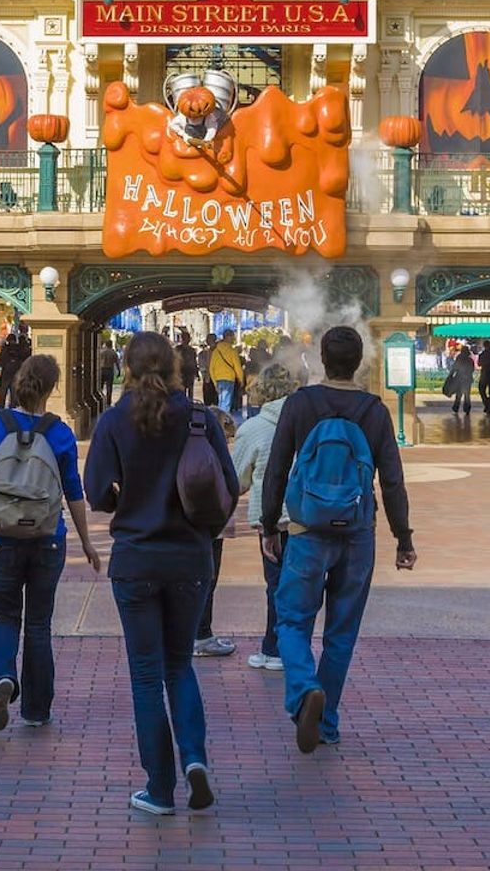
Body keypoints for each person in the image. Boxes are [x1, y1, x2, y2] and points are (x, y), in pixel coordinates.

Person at [84, 331, 238, 816]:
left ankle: (159, 788)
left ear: (126, 367)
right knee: (180, 666)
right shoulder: (199, 419)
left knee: (146, 676)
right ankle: (195, 759)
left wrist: (122, 498)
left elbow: (94, 492)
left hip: (136, 559)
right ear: (174, 365)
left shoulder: (114, 420)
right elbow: (229, 487)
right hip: (191, 559)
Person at [260, 326, 416, 753]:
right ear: (359, 360)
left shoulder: (300, 404)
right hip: (358, 533)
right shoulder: (374, 411)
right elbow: (393, 481)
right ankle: (326, 721)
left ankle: (304, 689)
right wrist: (403, 536)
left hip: (307, 532)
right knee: (341, 632)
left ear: (321, 359)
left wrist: (270, 523)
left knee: (291, 620)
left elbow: (276, 469)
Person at [0, 355, 100, 730]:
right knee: (38, 623)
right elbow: (73, 491)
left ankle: (3, 675)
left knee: (3, 615)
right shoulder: (60, 433)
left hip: (1, 536)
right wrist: (87, 542)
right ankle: (36, 709)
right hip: (48, 538)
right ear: (51, 389)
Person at [234, 363, 300, 672]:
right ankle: (295, 646)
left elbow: (237, 481)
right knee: (300, 584)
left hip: (272, 521)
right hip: (306, 516)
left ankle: (274, 649)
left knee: (275, 585)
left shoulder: (253, 428)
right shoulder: (308, 423)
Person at [194, 407, 238, 659]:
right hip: (213, 526)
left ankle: (192, 633)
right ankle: (201, 635)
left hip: (188, 525)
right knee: (207, 581)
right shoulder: (215, 455)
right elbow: (231, 485)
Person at [209, 329, 244, 414]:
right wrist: (241, 380)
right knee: (226, 404)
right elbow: (238, 367)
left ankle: (219, 421)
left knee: (221, 402)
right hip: (228, 379)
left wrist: (214, 382)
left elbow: (211, 368)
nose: (233, 339)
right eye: (232, 337)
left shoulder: (216, 351)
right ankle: (223, 423)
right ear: (228, 337)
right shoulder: (232, 351)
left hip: (218, 380)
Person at [0, 333, 23, 409]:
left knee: (2, 396)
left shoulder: (5, 349)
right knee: (14, 397)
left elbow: (0, 362)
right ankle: (12, 410)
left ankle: (1, 412)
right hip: (15, 375)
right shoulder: (19, 349)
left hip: (5, 374)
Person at [449, 345, 475, 415]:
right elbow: (472, 369)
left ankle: (456, 408)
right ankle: (467, 409)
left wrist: (451, 375)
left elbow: (455, 367)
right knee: (467, 395)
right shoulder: (470, 360)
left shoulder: (459, 358)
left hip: (459, 379)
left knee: (458, 394)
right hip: (468, 379)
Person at [176, 333, 199, 400]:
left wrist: (196, 372)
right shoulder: (179, 349)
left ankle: (187, 404)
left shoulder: (191, 350)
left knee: (188, 391)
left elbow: (194, 362)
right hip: (182, 372)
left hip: (188, 372)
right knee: (183, 391)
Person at [99, 339, 120, 408]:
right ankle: (108, 402)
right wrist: (119, 371)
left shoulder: (102, 352)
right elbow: (117, 363)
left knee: (100, 387)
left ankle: (100, 400)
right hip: (109, 371)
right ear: (111, 344)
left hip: (102, 370)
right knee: (109, 387)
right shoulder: (113, 353)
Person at [199, 334, 219, 406]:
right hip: (212, 378)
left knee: (210, 400)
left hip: (211, 378)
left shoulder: (203, 354)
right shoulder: (204, 353)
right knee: (213, 400)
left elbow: (202, 367)